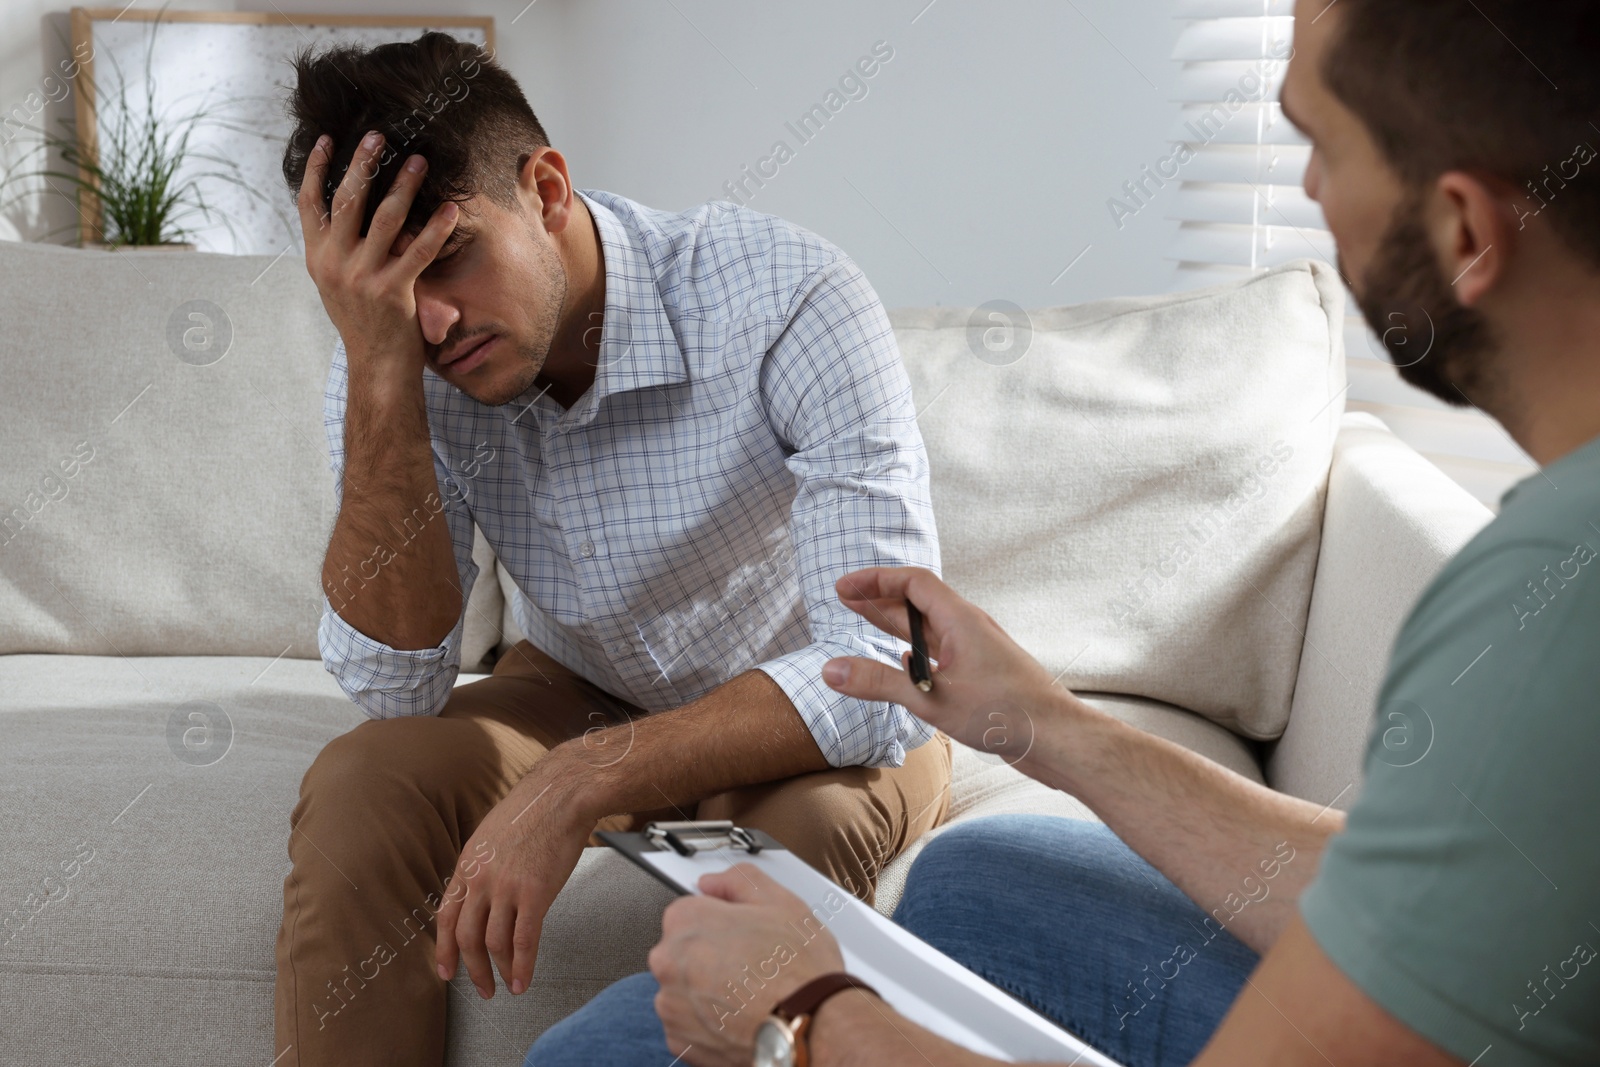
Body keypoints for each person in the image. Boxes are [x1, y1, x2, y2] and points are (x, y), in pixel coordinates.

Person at [527, 0, 1600, 1064]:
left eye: (1319, 144)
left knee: (605, 1049)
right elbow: (1424, 897)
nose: (1308, 190)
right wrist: (1047, 725)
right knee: (989, 868)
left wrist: (802, 1017)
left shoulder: (1549, 605)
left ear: (1464, 229)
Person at [271, 32, 952, 1067]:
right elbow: (392, 683)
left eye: (448, 254)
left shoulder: (784, 296)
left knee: (788, 863)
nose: (435, 320)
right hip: (576, 681)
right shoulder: (400, 358)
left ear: (545, 188)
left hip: (797, 709)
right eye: (389, 290)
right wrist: (377, 373)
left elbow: (875, 671)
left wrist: (581, 777)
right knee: (368, 780)